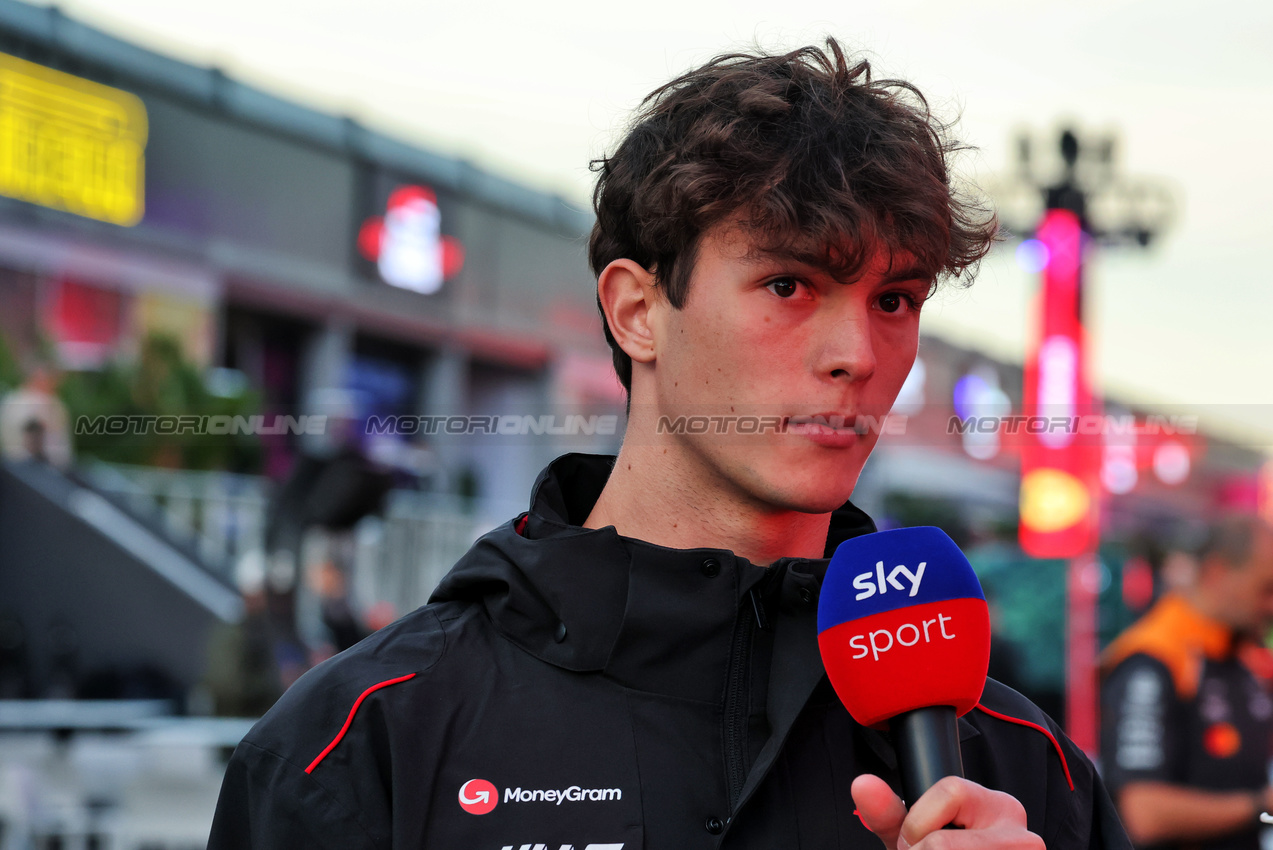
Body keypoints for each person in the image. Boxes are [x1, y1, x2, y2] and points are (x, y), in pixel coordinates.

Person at [208, 40, 1128, 849]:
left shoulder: (1017, 771)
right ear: (637, 311)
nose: (858, 356)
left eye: (894, 300)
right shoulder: (364, 739)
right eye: (788, 285)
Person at [1100, 516, 1273, 850]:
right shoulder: (1153, 659)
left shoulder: (1240, 652)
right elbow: (1143, 812)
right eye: (1265, 589)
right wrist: (1261, 804)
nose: (1270, 605)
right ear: (1216, 572)